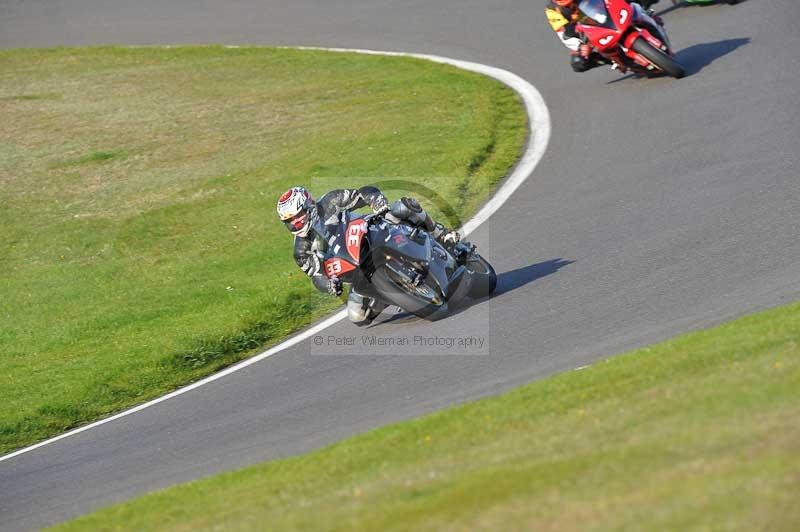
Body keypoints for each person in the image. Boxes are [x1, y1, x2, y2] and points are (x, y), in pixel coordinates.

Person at [276, 186, 463, 326]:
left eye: (297, 216)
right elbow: (316, 276)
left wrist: (377, 202)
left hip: (370, 234)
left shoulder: (329, 201)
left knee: (402, 208)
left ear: (309, 205)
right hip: (357, 271)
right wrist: (329, 285)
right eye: (290, 221)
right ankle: (398, 294)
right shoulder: (301, 250)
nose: (295, 222)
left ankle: (440, 233)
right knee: (357, 316)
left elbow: (362, 194)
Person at [545, 0, 663, 73]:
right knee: (578, 62)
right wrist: (580, 46)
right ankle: (614, 61)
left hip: (609, 10)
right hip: (591, 29)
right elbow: (564, 33)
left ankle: (643, 12)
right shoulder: (552, 10)